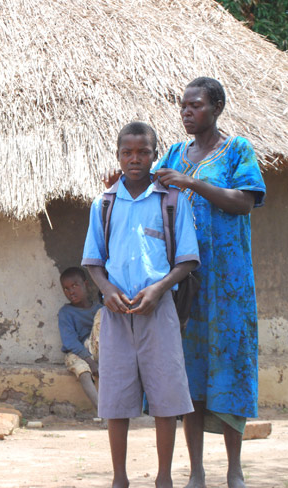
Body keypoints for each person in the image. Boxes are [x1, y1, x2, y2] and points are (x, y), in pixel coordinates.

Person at [156, 77, 266, 488]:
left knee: (231, 366)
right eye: (183, 105)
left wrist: (192, 183)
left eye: (196, 105)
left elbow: (244, 202)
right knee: (191, 371)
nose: (186, 112)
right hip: (186, 282)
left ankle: (234, 469)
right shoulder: (171, 154)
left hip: (230, 282)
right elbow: (150, 194)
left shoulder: (237, 150)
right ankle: (197, 470)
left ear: (216, 107)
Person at [83, 122, 200, 488]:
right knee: (115, 399)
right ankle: (120, 478)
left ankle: (163, 477)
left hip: (158, 310)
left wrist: (159, 289)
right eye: (127, 153)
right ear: (117, 156)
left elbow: (188, 259)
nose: (135, 159)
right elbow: (93, 261)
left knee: (166, 398)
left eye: (143, 152)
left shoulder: (171, 202)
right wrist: (106, 291)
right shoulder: (103, 204)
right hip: (116, 315)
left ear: (154, 155)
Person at [57, 267, 101, 411]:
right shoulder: (66, 313)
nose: (71, 292)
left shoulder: (99, 309)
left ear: (86, 284)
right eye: (66, 288)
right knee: (83, 372)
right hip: (77, 353)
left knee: (104, 313)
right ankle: (102, 412)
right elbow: (70, 342)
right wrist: (90, 362)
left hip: (99, 351)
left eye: (75, 285)